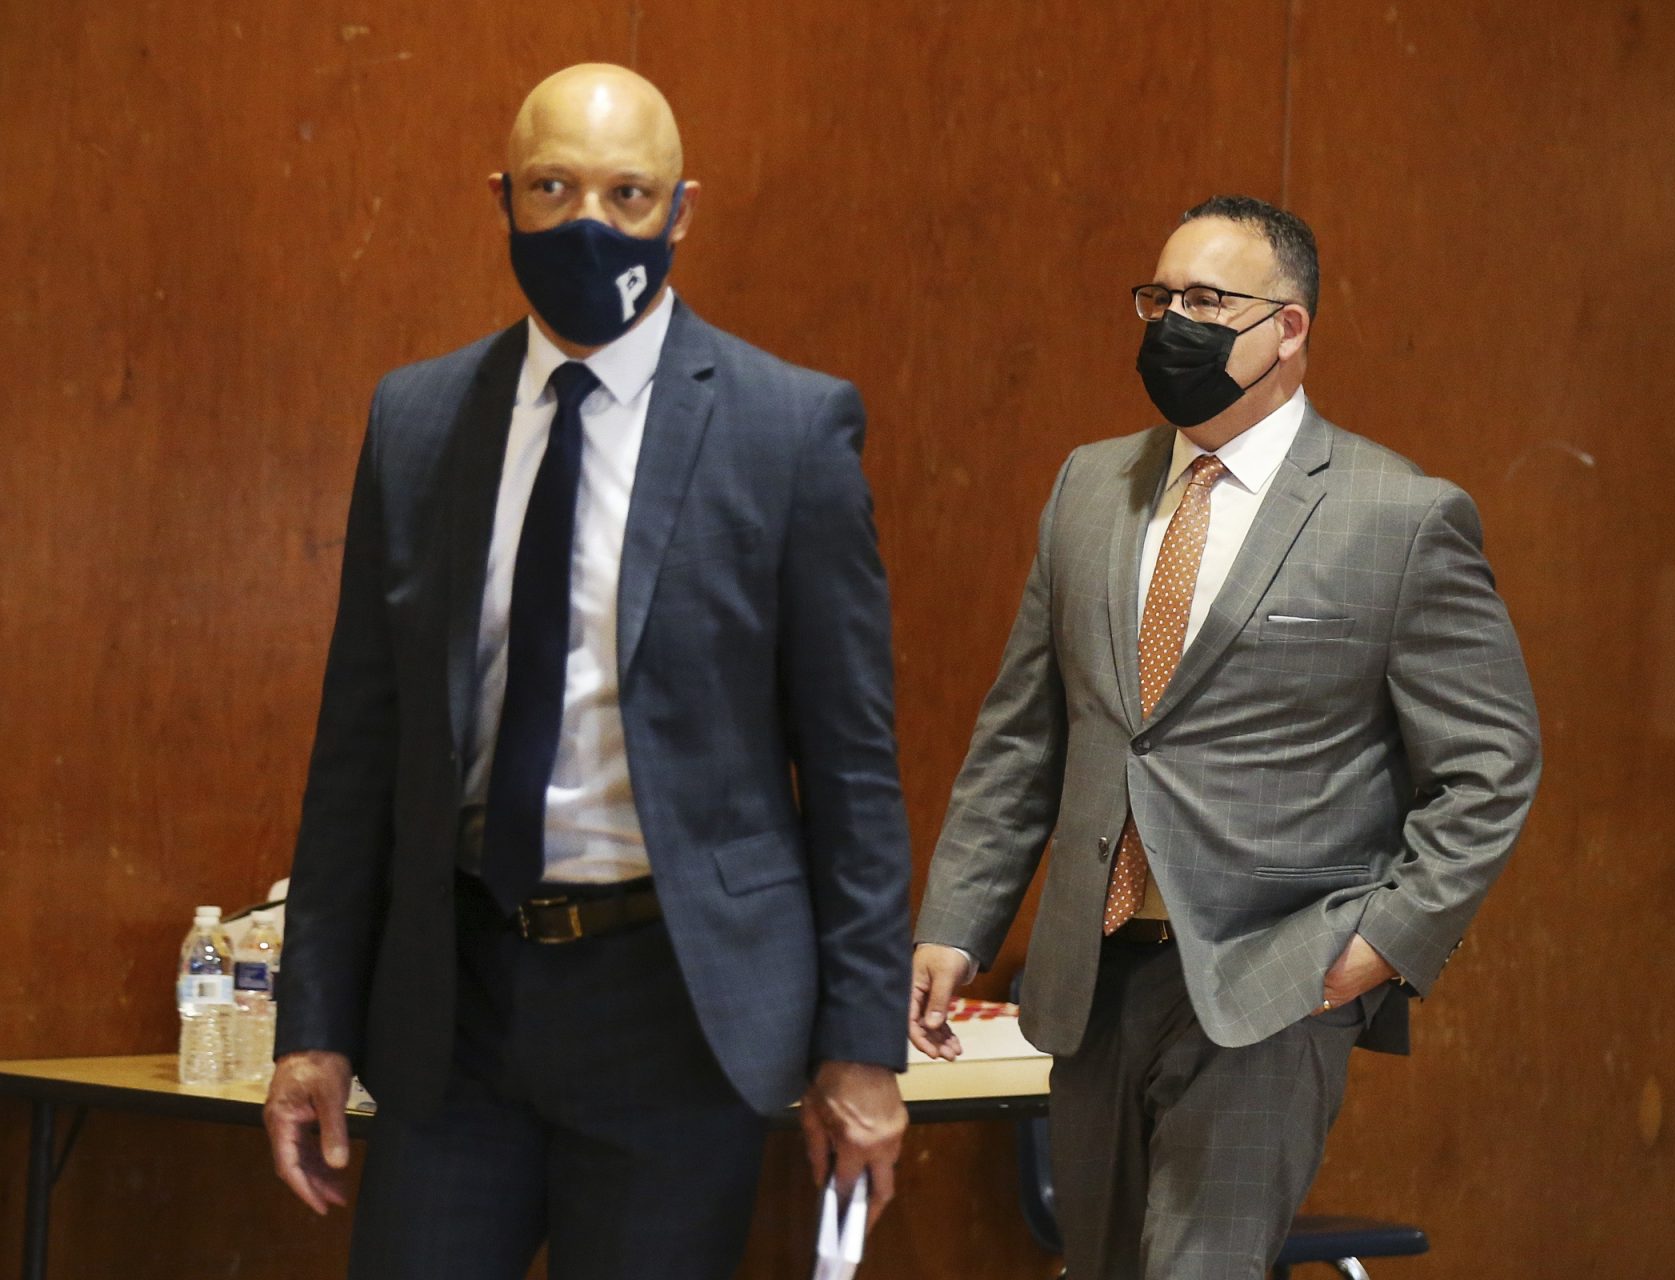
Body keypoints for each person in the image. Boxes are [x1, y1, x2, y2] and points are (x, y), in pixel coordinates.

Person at [263, 63, 911, 1280]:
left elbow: (854, 768)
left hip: (675, 1004)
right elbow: (358, 745)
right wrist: (314, 1026)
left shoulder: (788, 427)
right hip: (454, 1001)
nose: (589, 224)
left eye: (629, 192)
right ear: (502, 196)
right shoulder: (417, 419)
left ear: (684, 210)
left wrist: (861, 1044)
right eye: (553, 188)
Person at [910, 195, 1542, 1279]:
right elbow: (1025, 733)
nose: (1171, 324)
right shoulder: (1086, 488)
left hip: (1273, 985)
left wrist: (1381, 947)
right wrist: (957, 920)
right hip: (1092, 979)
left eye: (1207, 300)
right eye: (1159, 297)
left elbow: (1491, 765)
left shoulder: (1400, 514)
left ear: (1289, 327)